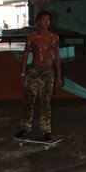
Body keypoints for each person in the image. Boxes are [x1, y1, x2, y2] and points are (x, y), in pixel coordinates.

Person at [14, 11, 62, 142]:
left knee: (46, 101)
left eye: (48, 20)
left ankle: (46, 131)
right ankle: (25, 128)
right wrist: (22, 73)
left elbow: (57, 58)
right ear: (38, 22)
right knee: (29, 100)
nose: (46, 22)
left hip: (48, 71)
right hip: (33, 71)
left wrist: (59, 76)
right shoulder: (32, 37)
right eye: (44, 20)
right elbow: (25, 55)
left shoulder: (54, 37)